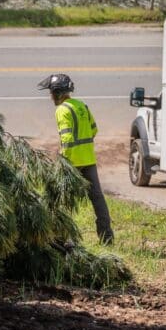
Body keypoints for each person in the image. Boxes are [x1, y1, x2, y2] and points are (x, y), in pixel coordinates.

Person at [37, 73, 115, 245]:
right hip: (89, 160)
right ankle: (107, 238)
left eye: (51, 93)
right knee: (97, 198)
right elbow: (94, 130)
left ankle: (66, 239)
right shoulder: (82, 106)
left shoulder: (62, 110)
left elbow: (67, 139)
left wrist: (63, 162)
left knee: (63, 200)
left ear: (57, 93)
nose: (50, 96)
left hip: (72, 163)